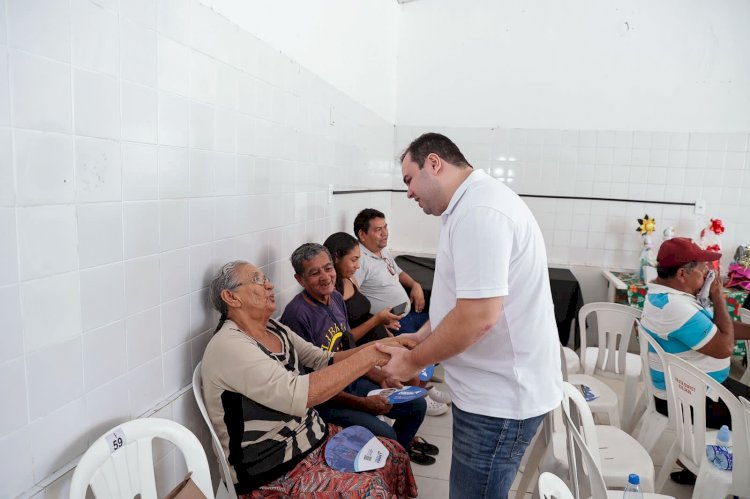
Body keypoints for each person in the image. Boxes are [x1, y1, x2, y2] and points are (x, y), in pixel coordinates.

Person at [378, 132, 563, 498]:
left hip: (499, 401)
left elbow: (479, 316)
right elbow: (463, 299)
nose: (409, 193)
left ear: (434, 163)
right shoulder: (467, 206)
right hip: (488, 391)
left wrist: (412, 362)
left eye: (409, 179)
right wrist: (426, 334)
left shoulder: (481, 211)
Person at [201, 260, 418, 497]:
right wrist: (371, 355)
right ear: (231, 297)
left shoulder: (274, 328)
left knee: (393, 453)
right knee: (369, 491)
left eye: (266, 279)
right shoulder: (229, 346)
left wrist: (384, 345)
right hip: (272, 467)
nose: (270, 285)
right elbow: (300, 394)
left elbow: (324, 358)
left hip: (312, 437)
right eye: (257, 280)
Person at [280, 243, 436, 465]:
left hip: (350, 379)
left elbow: (349, 353)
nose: (325, 277)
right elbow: (310, 387)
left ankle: (396, 461)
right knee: (385, 434)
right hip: (324, 399)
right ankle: (388, 464)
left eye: (327, 268)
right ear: (300, 280)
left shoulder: (334, 297)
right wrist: (362, 403)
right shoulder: (297, 316)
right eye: (314, 273)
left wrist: (380, 376)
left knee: (416, 406)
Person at [639, 237, 750, 485]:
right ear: (681, 274)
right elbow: (725, 346)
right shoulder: (675, 307)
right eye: (703, 272)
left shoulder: (665, 296)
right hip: (690, 401)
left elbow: (720, 328)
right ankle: (733, 480)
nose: (708, 278)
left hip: (692, 389)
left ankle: (693, 466)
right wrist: (718, 297)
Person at [353, 208, 428, 334]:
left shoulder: (382, 250)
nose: (385, 233)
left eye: (385, 227)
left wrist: (415, 285)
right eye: (378, 230)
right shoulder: (359, 261)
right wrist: (376, 323)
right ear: (362, 234)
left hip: (410, 314)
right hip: (395, 324)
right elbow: (352, 301)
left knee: (442, 322)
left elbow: (398, 272)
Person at [323, 231, 403, 345]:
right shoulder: (330, 294)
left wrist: (382, 325)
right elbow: (342, 341)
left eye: (358, 259)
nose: (358, 265)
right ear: (336, 258)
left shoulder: (350, 279)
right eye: (354, 259)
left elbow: (364, 317)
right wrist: (376, 320)